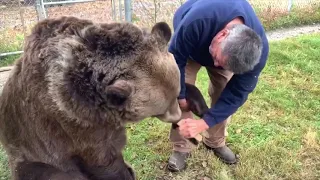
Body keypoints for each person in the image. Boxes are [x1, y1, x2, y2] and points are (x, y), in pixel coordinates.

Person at [167, 0, 270, 172]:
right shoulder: (198, 20)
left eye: (221, 64)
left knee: (223, 92)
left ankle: (215, 141)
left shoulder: (258, 55)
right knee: (178, 93)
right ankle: (182, 147)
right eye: (217, 59)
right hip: (192, 46)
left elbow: (236, 94)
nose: (214, 64)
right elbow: (175, 58)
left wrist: (205, 122)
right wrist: (181, 95)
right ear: (222, 35)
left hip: (223, 51)